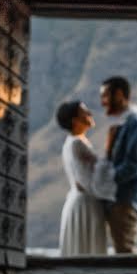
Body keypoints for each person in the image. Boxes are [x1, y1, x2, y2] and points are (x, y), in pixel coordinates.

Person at [100, 76, 137, 254]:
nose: (102, 102)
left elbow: (133, 166)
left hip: (126, 201)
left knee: (126, 254)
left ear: (119, 94)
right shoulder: (127, 125)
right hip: (121, 200)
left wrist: (104, 181)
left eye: (106, 96)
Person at [55, 101, 108, 256]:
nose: (90, 114)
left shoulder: (74, 142)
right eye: (85, 112)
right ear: (75, 120)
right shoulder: (77, 143)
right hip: (86, 204)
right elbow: (87, 181)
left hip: (82, 202)